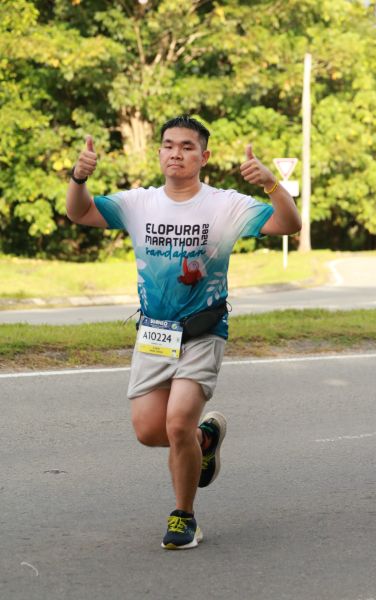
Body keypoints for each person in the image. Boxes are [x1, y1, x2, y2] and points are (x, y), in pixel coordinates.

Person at [66, 115, 301, 550]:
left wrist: (271, 184)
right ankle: (205, 439)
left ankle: (184, 516)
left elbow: (289, 224)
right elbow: (79, 212)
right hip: (154, 333)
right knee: (149, 431)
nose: (176, 152)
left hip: (202, 332)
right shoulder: (138, 203)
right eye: (169, 145)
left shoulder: (226, 205)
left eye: (187, 146)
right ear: (159, 152)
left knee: (177, 425)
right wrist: (78, 178)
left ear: (203, 156)